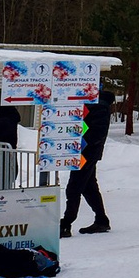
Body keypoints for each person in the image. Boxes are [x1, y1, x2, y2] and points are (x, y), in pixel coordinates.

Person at [60, 84, 113, 237]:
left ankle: (66, 223)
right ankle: (101, 220)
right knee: (88, 186)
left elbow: (96, 132)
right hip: (83, 150)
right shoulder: (89, 103)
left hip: (85, 152)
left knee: (74, 187)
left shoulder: (99, 105)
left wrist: (79, 143)